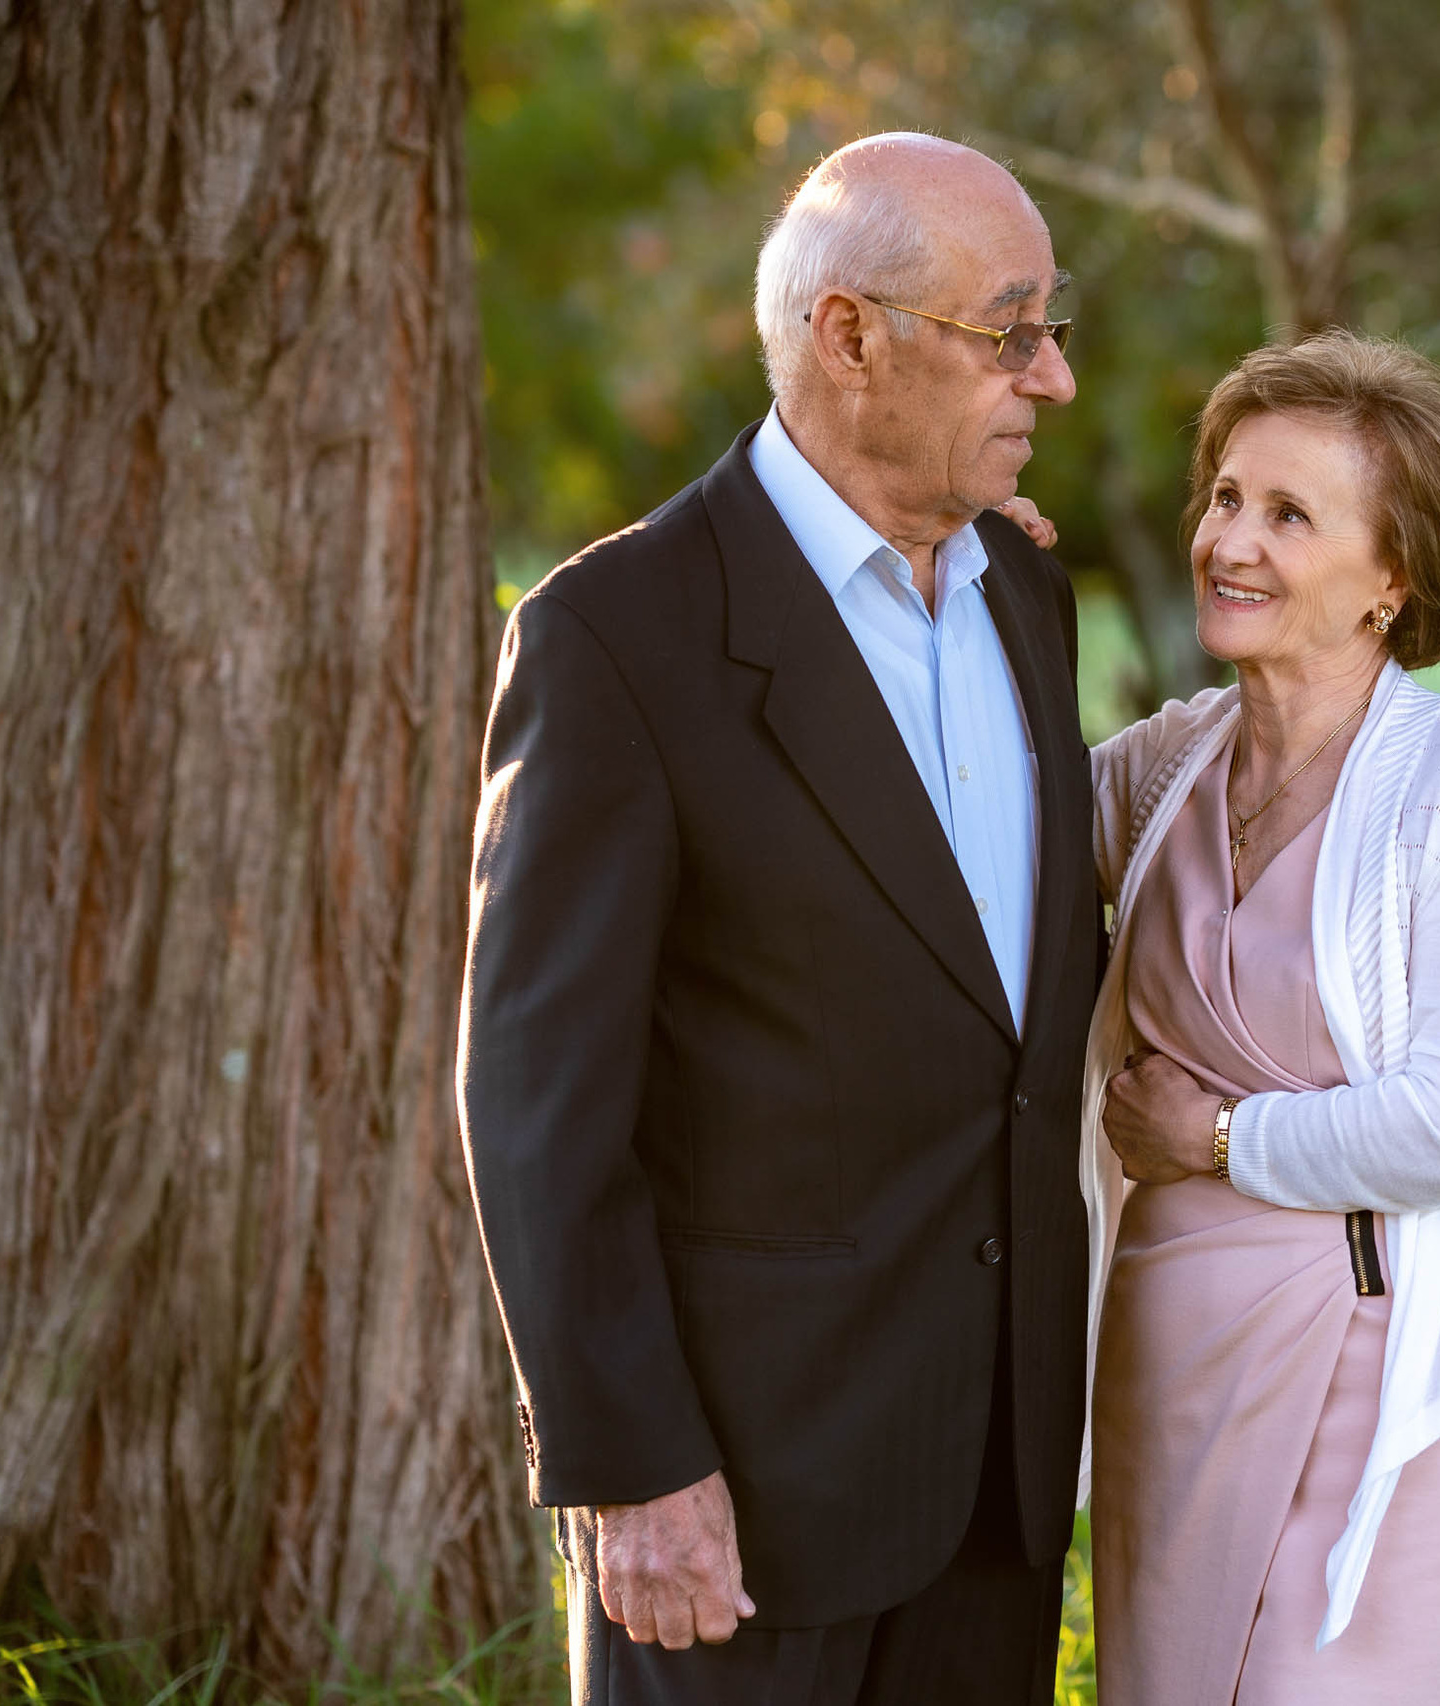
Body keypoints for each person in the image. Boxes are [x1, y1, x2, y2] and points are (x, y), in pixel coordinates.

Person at [456, 134, 1099, 1706]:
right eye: (1009, 329)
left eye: (1053, 325)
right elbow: (539, 1107)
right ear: (850, 335)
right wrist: (634, 1466)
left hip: (999, 1481)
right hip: (736, 1503)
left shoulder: (1027, 596)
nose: (1057, 378)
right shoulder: (617, 637)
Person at [1081, 330, 1440, 1702]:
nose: (1229, 540)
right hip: (1171, 1361)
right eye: (1226, 496)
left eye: (1289, 514)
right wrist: (975, 573)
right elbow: (967, 839)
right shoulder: (1165, 766)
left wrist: (1223, 1136)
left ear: (1395, 576)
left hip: (1398, 1372)